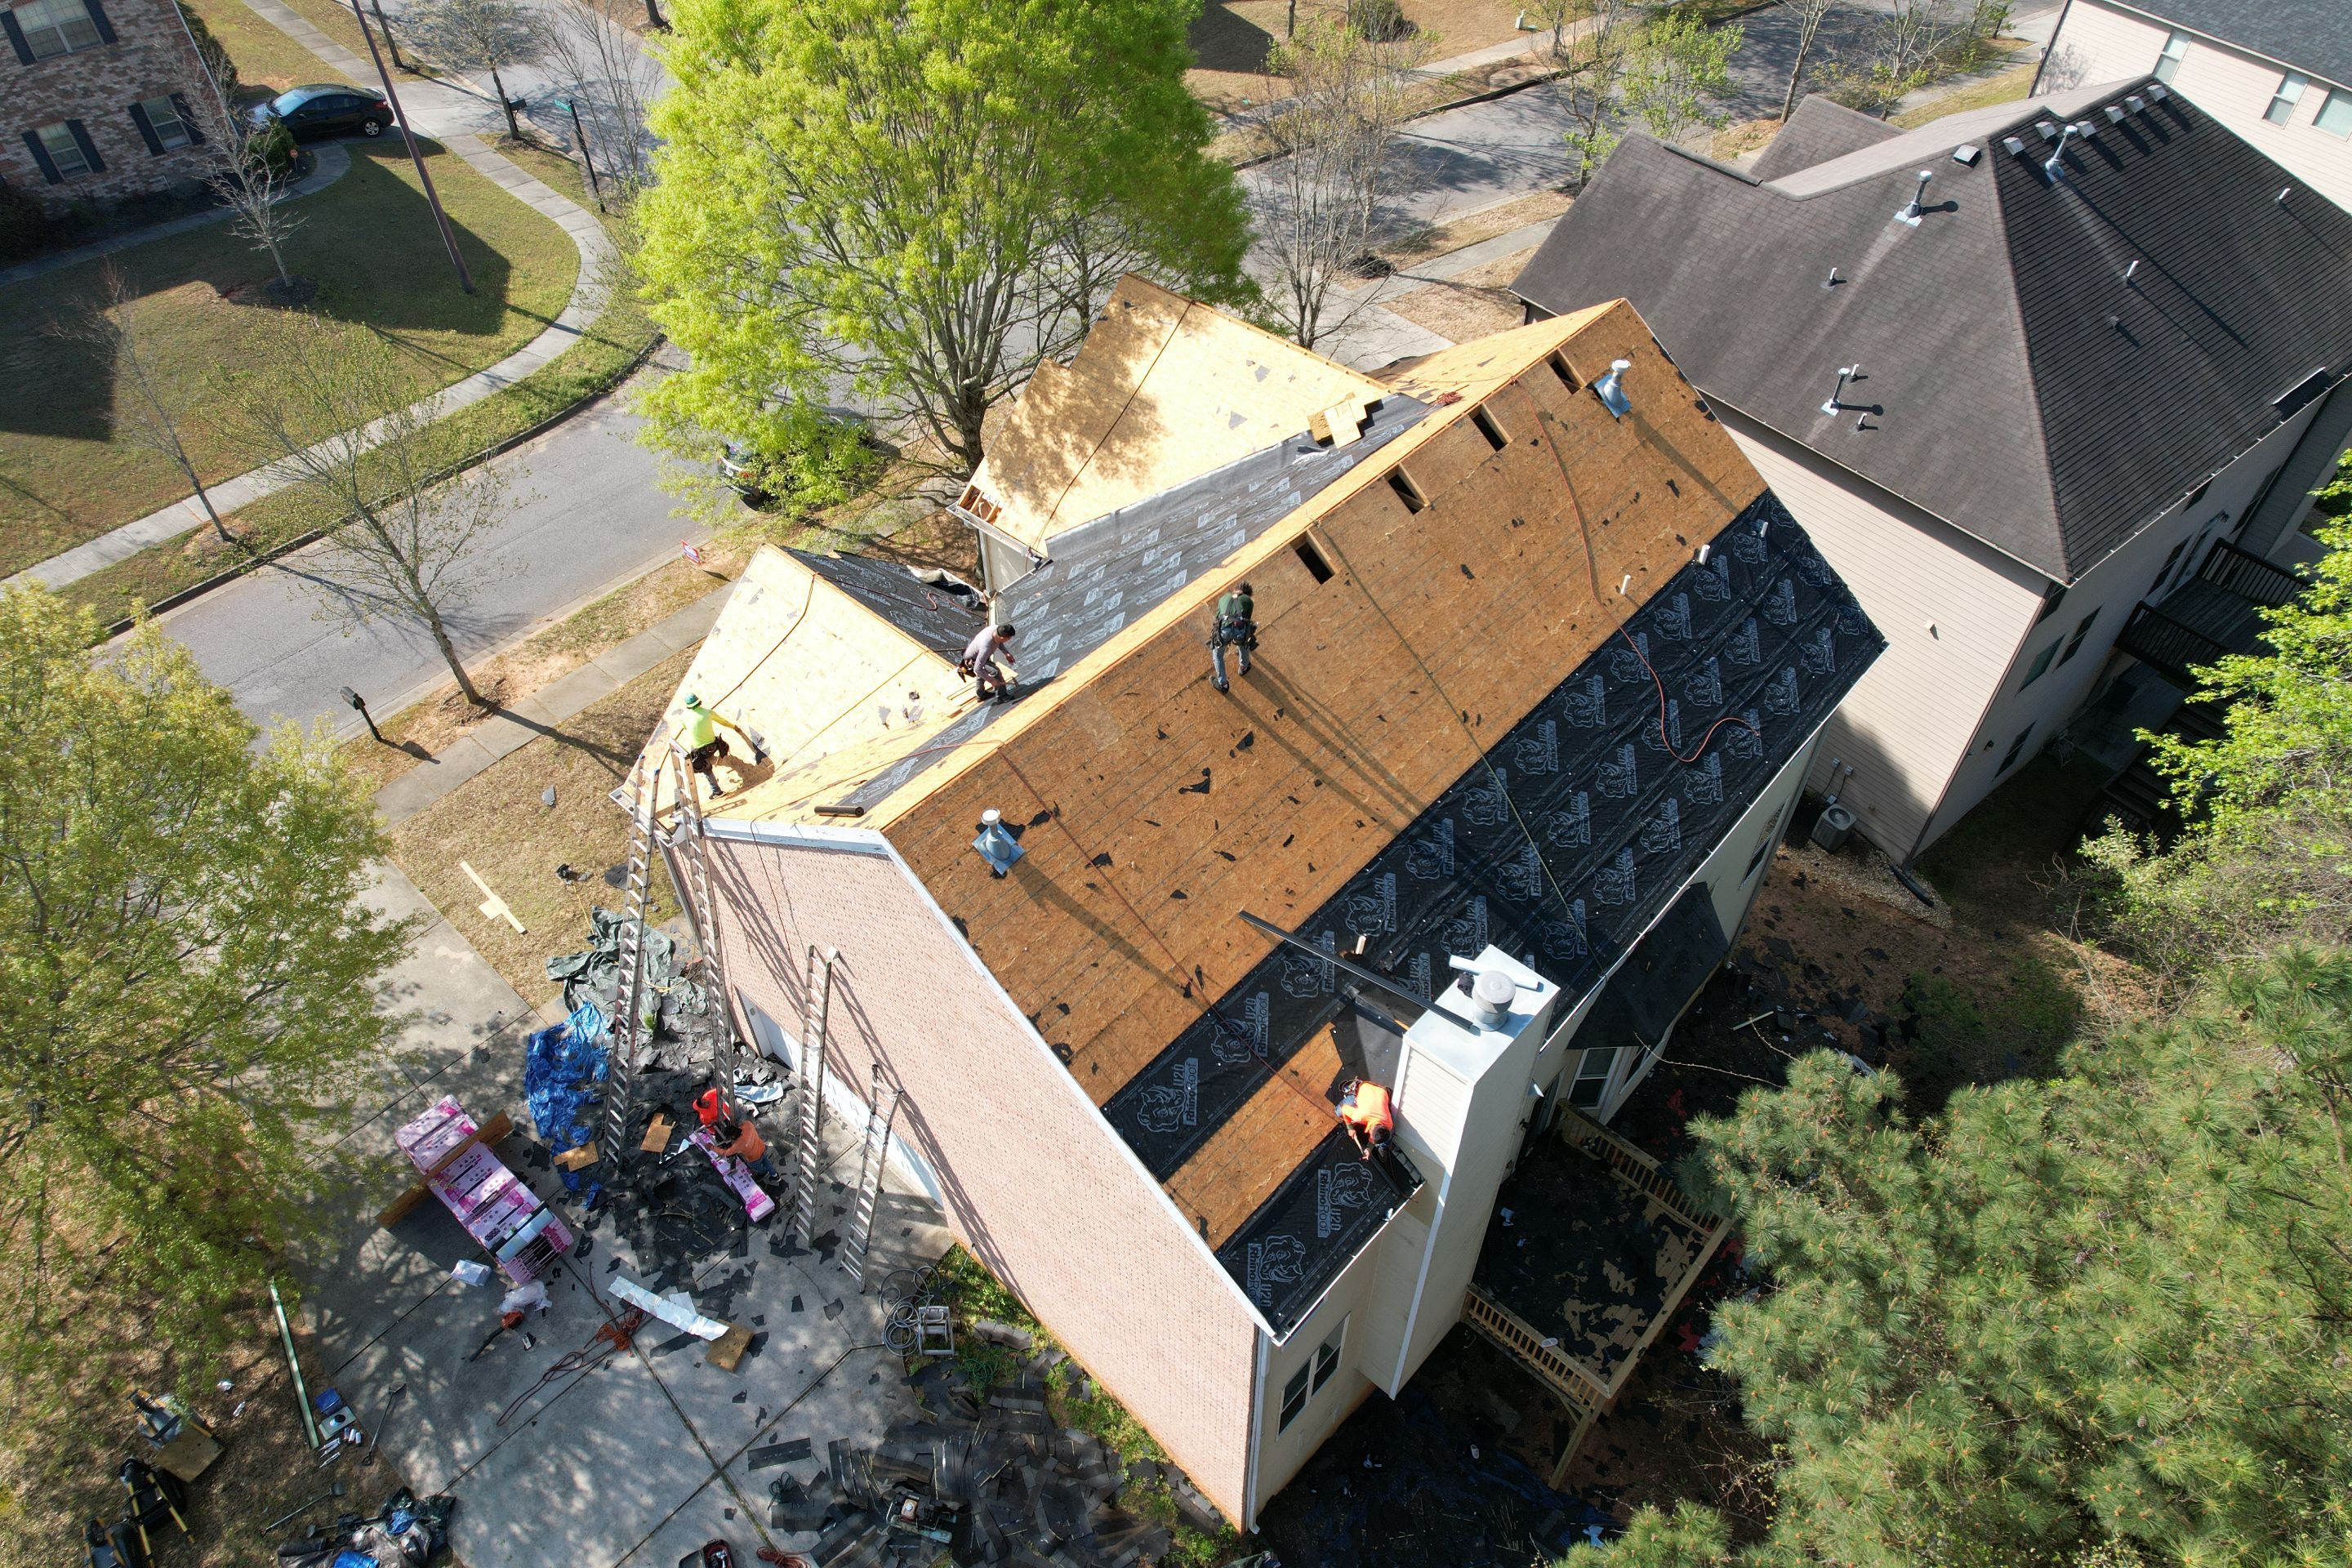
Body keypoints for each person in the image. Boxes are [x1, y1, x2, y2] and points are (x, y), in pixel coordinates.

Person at [679, 693, 749, 800]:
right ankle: (714, 758)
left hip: (699, 751)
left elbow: (685, 727)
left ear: (688, 706)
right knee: (713, 743)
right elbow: (723, 721)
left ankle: (717, 791)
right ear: (699, 701)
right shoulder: (708, 712)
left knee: (706, 770)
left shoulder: (685, 717)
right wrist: (734, 727)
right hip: (713, 746)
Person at [1209, 583, 1256, 693]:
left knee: (1218, 655)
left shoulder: (1224, 598)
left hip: (1224, 631)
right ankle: (1244, 667)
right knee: (1244, 642)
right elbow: (1247, 621)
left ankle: (1223, 684)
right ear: (1248, 594)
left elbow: (1217, 619)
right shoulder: (1248, 600)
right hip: (1239, 631)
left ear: (1235, 590)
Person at [1336, 1078, 1393, 1162]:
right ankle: (1355, 1087)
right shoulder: (1360, 1117)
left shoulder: (1389, 1125)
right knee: (1338, 1112)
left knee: (1392, 1130)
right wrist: (1350, 1128)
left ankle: (1382, 1146)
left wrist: (1369, 1148)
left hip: (1381, 1091)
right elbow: (1344, 1109)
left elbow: (1376, 1132)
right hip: (1364, 1087)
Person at [959, 623, 1018, 701]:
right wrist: (992, 681)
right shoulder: (985, 648)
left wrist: (1006, 653)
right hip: (972, 660)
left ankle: (980, 694)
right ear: (1002, 638)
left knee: (983, 672)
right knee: (995, 671)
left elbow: (999, 642)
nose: (1009, 640)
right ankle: (1002, 696)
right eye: (1009, 638)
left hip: (976, 655)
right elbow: (977, 668)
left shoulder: (996, 629)